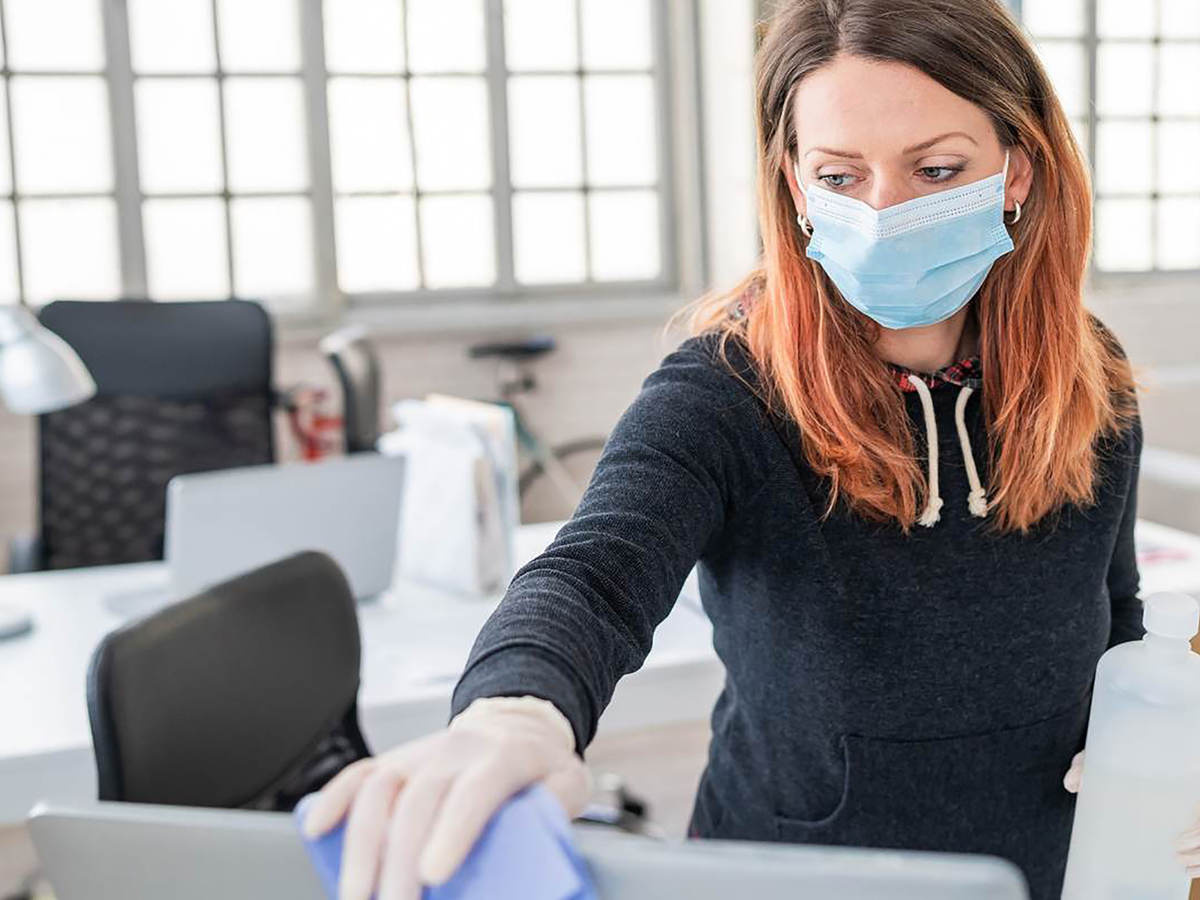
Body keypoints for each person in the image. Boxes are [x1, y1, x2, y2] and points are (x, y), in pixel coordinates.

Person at [302, 1, 1200, 898]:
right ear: (796, 186)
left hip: (1040, 871)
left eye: (936, 169)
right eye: (841, 176)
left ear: (1018, 169)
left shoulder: (1089, 376)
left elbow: (1113, 614)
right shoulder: (728, 389)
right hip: (785, 873)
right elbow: (592, 577)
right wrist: (513, 717)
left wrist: (1158, 756)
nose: (886, 211)